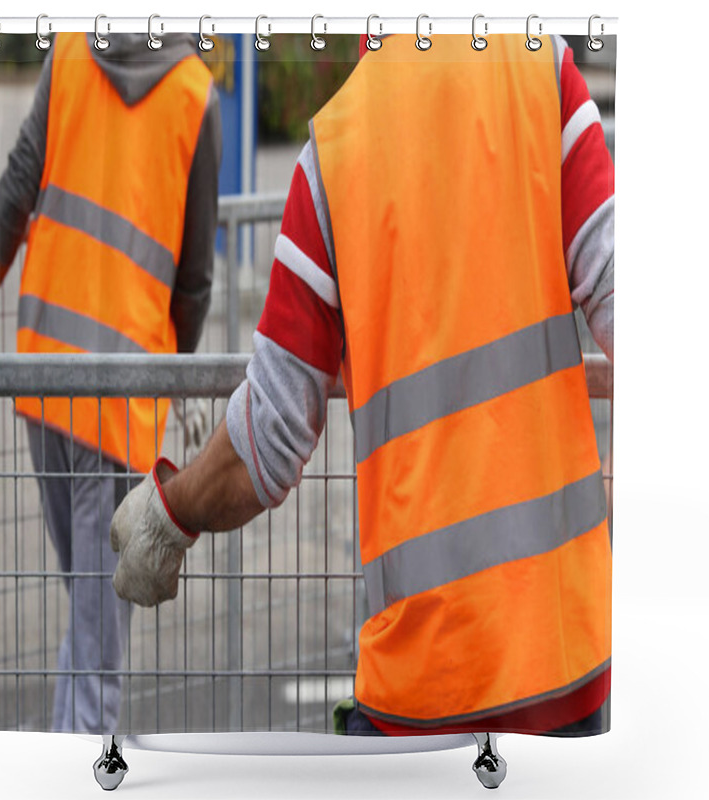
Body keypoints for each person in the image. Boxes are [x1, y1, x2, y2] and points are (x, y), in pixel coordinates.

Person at [110, 33, 613, 739]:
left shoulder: (334, 154)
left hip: (424, 688)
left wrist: (172, 512)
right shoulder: (541, 67)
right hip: (569, 658)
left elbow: (269, 436)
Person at [0, 32, 221, 733]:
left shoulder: (73, 50)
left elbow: (17, 186)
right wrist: (179, 377)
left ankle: (64, 753)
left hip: (44, 378)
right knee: (98, 644)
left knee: (88, 621)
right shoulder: (196, 96)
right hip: (118, 404)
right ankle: (78, 769)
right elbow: (194, 282)